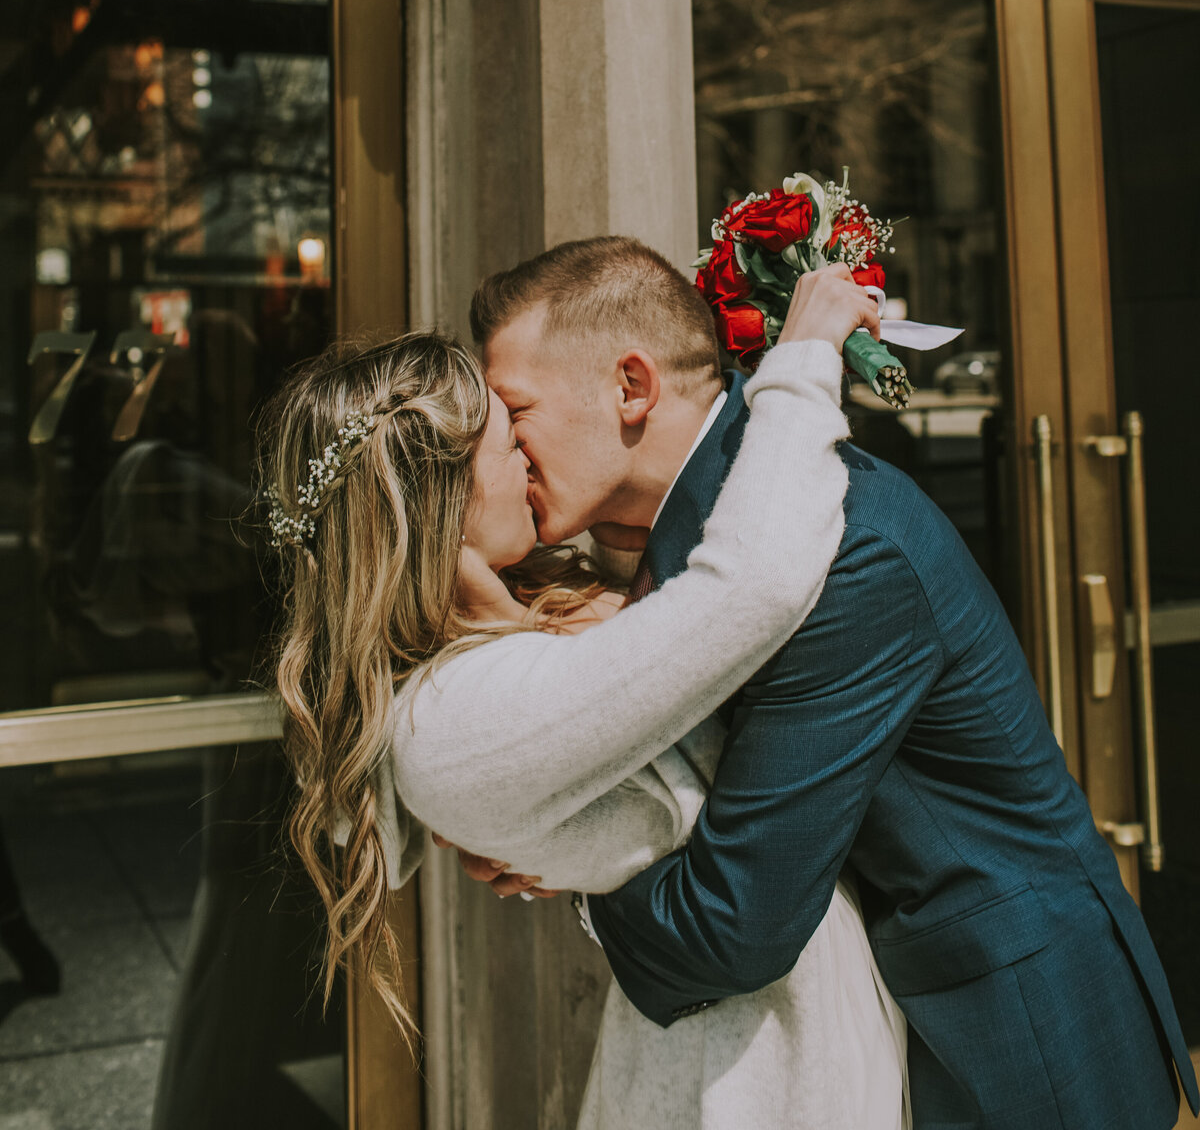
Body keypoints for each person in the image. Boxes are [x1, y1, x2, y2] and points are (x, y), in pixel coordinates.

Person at [463, 237, 1197, 1130]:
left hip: (1021, 1032)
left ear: (631, 386)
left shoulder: (843, 556)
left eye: (514, 412)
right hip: (906, 1011)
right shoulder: (688, 543)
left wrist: (582, 876)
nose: (500, 451)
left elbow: (739, 922)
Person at [263, 257, 907, 1129]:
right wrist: (797, 366)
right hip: (739, 1080)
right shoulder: (450, 720)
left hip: (770, 1040)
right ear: (438, 496)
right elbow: (746, 591)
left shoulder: (515, 647)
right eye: (508, 435)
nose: (528, 453)